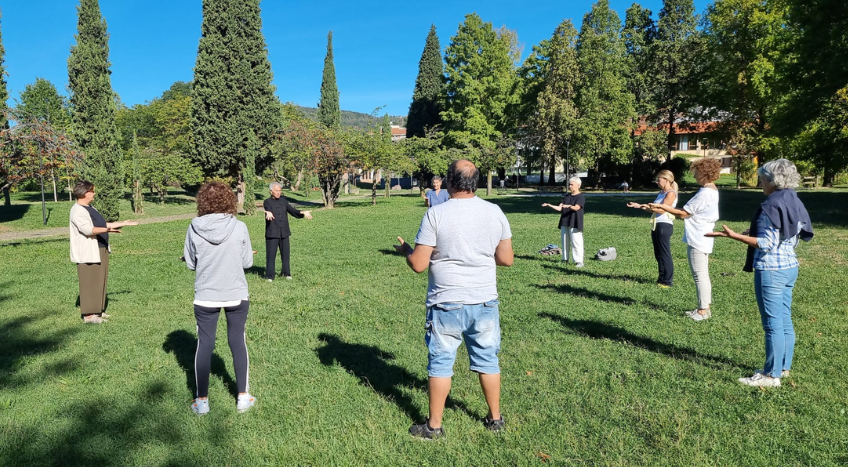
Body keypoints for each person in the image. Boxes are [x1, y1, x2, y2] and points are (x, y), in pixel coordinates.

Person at [394, 159, 513, 440]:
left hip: (445, 301)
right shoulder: (495, 212)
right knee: (488, 360)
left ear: (449, 182)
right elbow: (506, 259)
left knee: (440, 363)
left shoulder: (436, 214)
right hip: (484, 300)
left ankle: (434, 426)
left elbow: (418, 264)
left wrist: (407, 250)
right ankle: (495, 419)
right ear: (476, 183)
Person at [707, 159, 813, 387]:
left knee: (772, 324)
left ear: (774, 181)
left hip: (771, 270)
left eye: (763, 179)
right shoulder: (793, 199)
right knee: (784, 319)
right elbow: (791, 231)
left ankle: (770, 376)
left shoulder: (770, 205)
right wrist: (752, 231)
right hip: (789, 267)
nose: (760, 183)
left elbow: (767, 243)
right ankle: (782, 367)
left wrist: (734, 236)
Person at [184, 181, 256, 415]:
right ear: (229, 200)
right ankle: (243, 397)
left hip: (206, 295)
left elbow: (191, 263)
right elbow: (247, 262)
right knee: (237, 341)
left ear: (202, 201)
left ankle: (202, 401)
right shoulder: (240, 227)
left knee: (204, 345)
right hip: (236, 293)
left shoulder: (194, 227)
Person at [651, 158, 721, 321]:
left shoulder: (705, 193)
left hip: (698, 236)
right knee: (703, 274)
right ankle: (704, 307)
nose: (694, 175)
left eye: (696, 172)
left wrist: (663, 207)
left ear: (704, 172)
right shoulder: (712, 190)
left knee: (699, 275)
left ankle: (703, 311)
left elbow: (684, 213)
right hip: (704, 235)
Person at [69, 180, 137, 324]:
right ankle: (89, 315)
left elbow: (101, 224)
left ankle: (98, 310)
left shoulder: (90, 208)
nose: (94, 194)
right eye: (92, 191)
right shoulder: (77, 210)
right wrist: (107, 230)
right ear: (85, 193)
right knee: (89, 281)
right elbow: (87, 229)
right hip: (88, 251)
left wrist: (122, 223)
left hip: (100, 248)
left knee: (99, 280)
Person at [627, 170, 679, 287]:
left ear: (666, 180)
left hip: (664, 225)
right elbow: (654, 210)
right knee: (658, 254)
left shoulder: (671, 193)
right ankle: (661, 278)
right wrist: (639, 206)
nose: (657, 182)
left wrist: (649, 206)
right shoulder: (661, 193)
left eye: (658, 179)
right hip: (656, 224)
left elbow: (662, 209)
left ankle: (667, 281)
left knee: (664, 253)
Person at [263, 182, 312, 281]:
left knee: (285, 254)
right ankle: (270, 275)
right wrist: (268, 213)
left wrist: (302, 212)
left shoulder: (284, 201)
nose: (278, 192)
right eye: (276, 191)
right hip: (272, 232)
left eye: (280, 190)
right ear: (271, 191)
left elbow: (292, 211)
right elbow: (267, 209)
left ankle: (286, 273)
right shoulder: (267, 202)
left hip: (284, 232)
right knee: (271, 255)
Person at [542, 177, 585, 267]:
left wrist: (569, 206)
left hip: (575, 222)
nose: (570, 186)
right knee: (564, 241)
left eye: (572, 185)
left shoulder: (580, 197)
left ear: (578, 185)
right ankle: (565, 259)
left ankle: (579, 261)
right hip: (565, 221)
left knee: (576, 242)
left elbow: (577, 207)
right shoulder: (566, 196)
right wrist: (549, 205)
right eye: (569, 184)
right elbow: (559, 208)